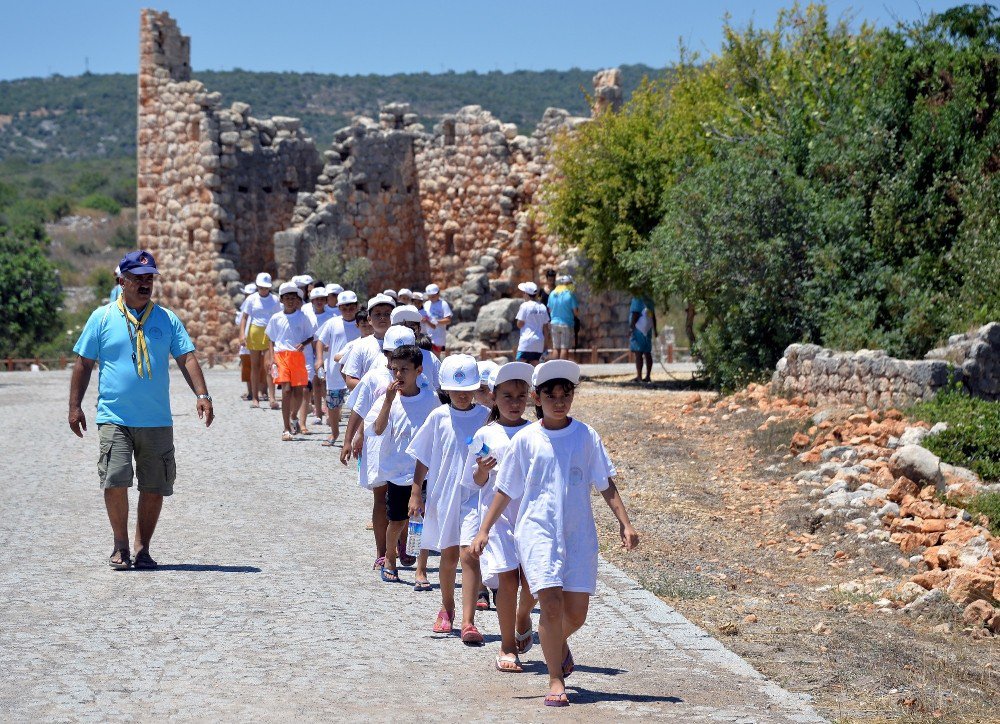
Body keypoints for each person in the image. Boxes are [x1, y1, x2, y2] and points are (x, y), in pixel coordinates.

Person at [471, 360, 639, 706]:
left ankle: (553, 640)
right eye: (551, 396)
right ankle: (555, 680)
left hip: (578, 534)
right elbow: (505, 488)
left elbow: (604, 482)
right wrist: (484, 529)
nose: (559, 402)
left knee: (576, 613)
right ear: (538, 398)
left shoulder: (586, 436)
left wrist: (625, 522)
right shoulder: (527, 439)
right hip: (537, 533)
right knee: (550, 605)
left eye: (566, 395)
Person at [68, 249, 215, 571]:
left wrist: (203, 394)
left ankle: (143, 548)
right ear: (122, 281)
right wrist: (74, 406)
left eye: (149, 278)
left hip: (156, 418)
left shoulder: (166, 319)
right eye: (138, 278)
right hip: (114, 417)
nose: (145, 283)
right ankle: (120, 545)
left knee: (154, 485)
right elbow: (83, 363)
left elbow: (187, 357)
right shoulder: (102, 317)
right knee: (115, 479)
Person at [406, 354, 490, 643]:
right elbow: (423, 456)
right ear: (446, 389)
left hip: (474, 496)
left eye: (467, 390)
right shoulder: (438, 417)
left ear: (476, 388)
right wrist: (416, 492)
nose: (462, 396)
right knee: (449, 556)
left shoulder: (485, 417)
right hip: (443, 495)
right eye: (456, 391)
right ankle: (447, 606)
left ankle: (468, 621)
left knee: (469, 555)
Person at [464, 362, 536, 672]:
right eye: (507, 396)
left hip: (532, 517)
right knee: (508, 581)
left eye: (521, 396)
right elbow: (474, 481)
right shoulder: (485, 433)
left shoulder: (536, 432)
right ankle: (507, 646)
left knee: (532, 583)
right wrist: (482, 470)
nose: (514, 403)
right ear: (493, 396)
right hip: (498, 519)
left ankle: (523, 615)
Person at [368, 343, 441, 583]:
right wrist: (388, 401)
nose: (398, 375)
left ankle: (421, 569)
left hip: (425, 472)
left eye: (404, 369)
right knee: (397, 520)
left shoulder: (431, 399)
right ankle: (390, 557)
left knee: (424, 521)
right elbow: (378, 429)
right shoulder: (387, 397)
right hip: (397, 471)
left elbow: (439, 431)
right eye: (394, 369)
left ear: (419, 370)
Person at [265, 282, 316, 441]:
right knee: (286, 390)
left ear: (297, 300)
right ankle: (286, 428)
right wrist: (271, 358)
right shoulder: (276, 318)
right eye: (287, 298)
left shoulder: (302, 317)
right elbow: (271, 339)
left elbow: (311, 335)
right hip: (281, 356)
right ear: (281, 300)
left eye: (293, 298)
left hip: (297, 356)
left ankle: (294, 416)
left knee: (299, 392)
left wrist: (304, 344)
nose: (290, 301)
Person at [315, 291, 361, 446]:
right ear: (339, 307)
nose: (348, 310)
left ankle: (357, 437)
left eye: (351, 307)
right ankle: (334, 433)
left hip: (356, 372)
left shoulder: (362, 323)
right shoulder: (332, 322)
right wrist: (319, 359)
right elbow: (320, 341)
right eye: (344, 307)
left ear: (357, 306)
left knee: (359, 404)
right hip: (334, 372)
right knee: (333, 405)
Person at [240, 272, 281, 409]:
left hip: (269, 333)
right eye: (261, 287)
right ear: (257, 286)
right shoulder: (251, 299)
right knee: (255, 366)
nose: (263, 290)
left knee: (269, 365)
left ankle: (272, 398)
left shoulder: (275, 300)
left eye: (266, 287)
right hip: (254, 332)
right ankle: (255, 398)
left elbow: (279, 317)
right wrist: (242, 334)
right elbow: (244, 317)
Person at [342, 294, 395, 390]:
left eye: (387, 314)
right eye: (377, 314)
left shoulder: (403, 343)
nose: (382, 317)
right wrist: (376, 391)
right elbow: (350, 380)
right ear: (369, 319)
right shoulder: (361, 345)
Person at [302, 286, 336, 431]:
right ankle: (318, 414)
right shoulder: (307, 316)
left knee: (326, 384)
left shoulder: (331, 316)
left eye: (322, 299)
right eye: (317, 299)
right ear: (312, 301)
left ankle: (330, 412)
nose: (319, 302)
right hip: (311, 353)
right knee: (315, 383)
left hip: (327, 354)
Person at [514, 281, 550, 366]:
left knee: (520, 366)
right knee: (535, 366)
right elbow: (546, 328)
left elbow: (520, 324)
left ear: (526, 294)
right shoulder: (542, 307)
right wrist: (546, 344)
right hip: (539, 342)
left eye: (523, 293)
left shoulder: (524, 306)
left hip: (526, 342)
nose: (523, 294)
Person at [546, 275, 579, 361]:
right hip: (566, 324)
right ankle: (562, 368)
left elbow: (549, 309)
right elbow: (576, 312)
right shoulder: (570, 294)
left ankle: (554, 367)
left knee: (555, 348)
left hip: (554, 323)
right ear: (568, 284)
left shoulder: (552, 293)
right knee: (564, 348)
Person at [629, 295, 657, 383]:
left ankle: (639, 376)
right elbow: (653, 316)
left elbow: (635, 314)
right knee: (647, 352)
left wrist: (631, 328)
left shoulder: (637, 297)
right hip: (648, 329)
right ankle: (648, 376)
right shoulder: (649, 299)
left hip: (638, 329)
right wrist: (655, 330)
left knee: (638, 353)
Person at [422, 283, 452, 356]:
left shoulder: (443, 304)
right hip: (427, 336)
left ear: (438, 294)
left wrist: (436, 322)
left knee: (437, 357)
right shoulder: (426, 304)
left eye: (433, 296)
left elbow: (448, 320)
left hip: (439, 337)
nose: (431, 298)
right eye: (430, 296)